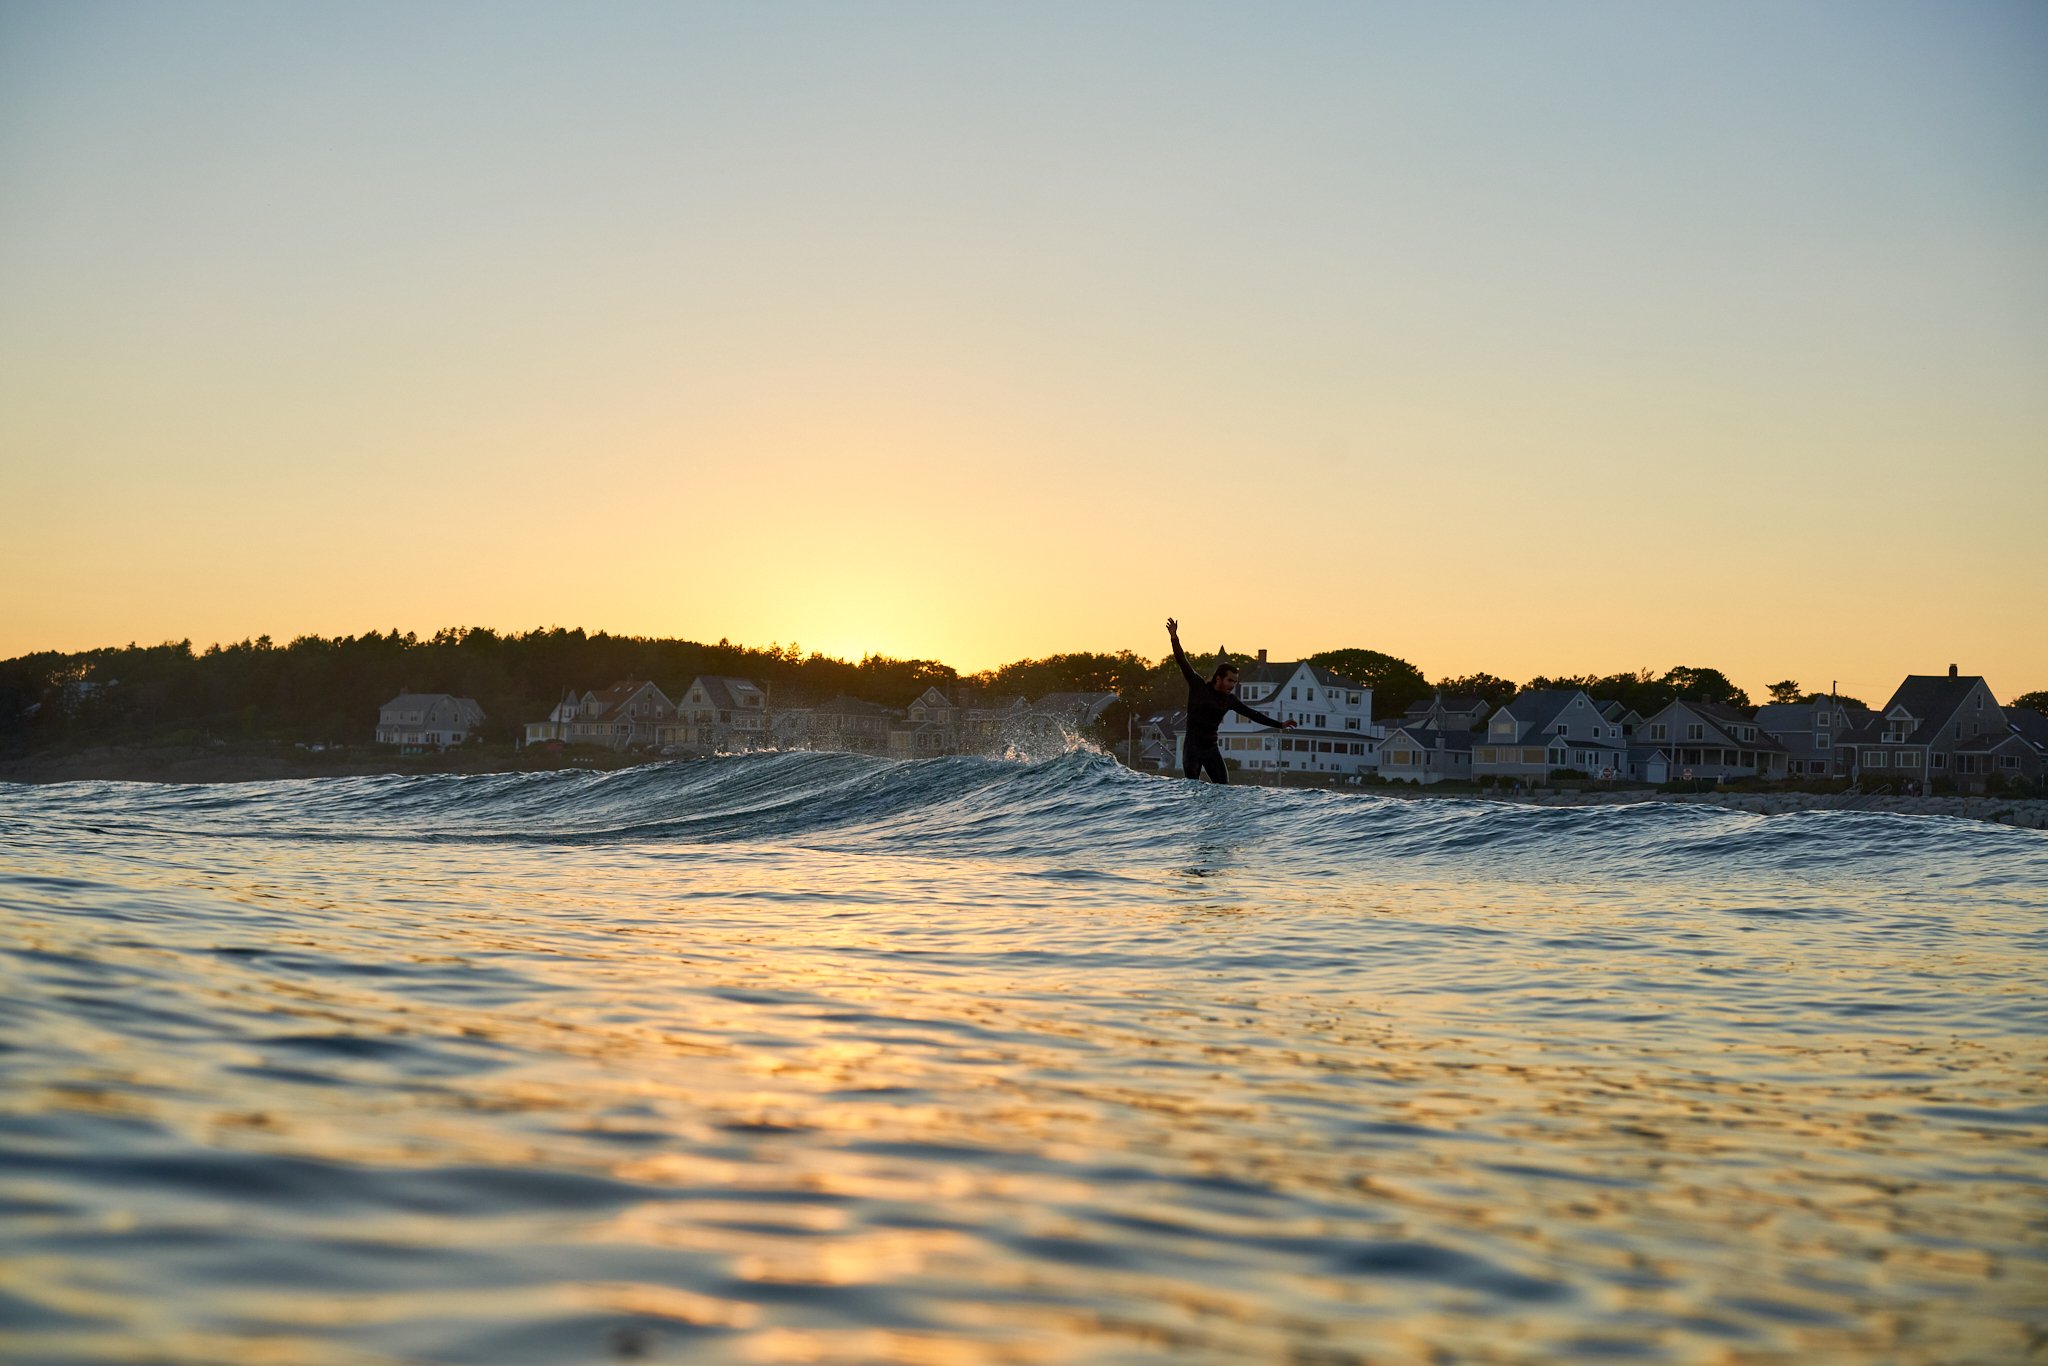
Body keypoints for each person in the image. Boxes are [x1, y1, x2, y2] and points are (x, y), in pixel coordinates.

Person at [1166, 617, 1295, 783]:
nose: (1233, 685)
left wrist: (1280, 725)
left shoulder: (1229, 700)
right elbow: (1182, 661)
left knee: (1223, 788)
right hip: (1192, 749)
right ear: (1218, 678)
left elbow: (1253, 714)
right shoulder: (1198, 686)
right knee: (1192, 788)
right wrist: (1174, 637)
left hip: (1211, 749)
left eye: (1235, 681)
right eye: (1230, 680)